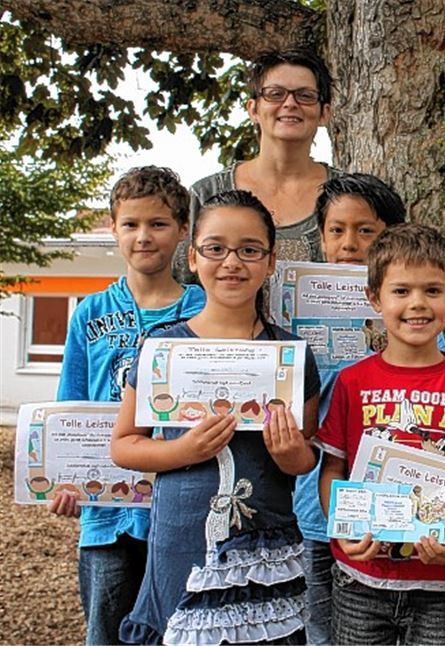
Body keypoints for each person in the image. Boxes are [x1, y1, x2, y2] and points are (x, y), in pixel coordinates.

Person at [111, 191, 320, 644]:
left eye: (249, 250)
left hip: (265, 541)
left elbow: (305, 458)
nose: (232, 262)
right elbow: (124, 444)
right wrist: (182, 450)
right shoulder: (161, 348)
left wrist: (292, 454)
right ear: (193, 257)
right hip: (180, 542)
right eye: (216, 248)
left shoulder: (291, 356)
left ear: (270, 261)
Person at [316, 223, 445, 644]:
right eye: (401, 291)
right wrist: (343, 528)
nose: (417, 304)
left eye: (432, 291)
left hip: (440, 580)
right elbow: (333, 469)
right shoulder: (351, 382)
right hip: (360, 578)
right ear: (374, 298)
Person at [48, 167, 206, 645]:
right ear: (114, 228)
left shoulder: (205, 307)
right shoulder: (89, 313)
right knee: (108, 634)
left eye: (158, 224)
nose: (143, 236)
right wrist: (63, 480)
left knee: (185, 631)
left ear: (183, 231)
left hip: (183, 508)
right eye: (131, 224)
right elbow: (70, 404)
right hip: (107, 518)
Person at [294, 173, 445, 644]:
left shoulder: (417, 322)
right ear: (320, 237)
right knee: (322, 630)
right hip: (313, 508)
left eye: (366, 231)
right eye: (336, 230)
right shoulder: (290, 315)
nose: (349, 244)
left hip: (397, 517)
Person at [175, 48, 340, 282]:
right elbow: (179, 289)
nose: (290, 103)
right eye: (275, 94)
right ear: (253, 109)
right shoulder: (207, 194)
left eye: (305, 95)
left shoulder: (350, 196)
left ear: (324, 113)